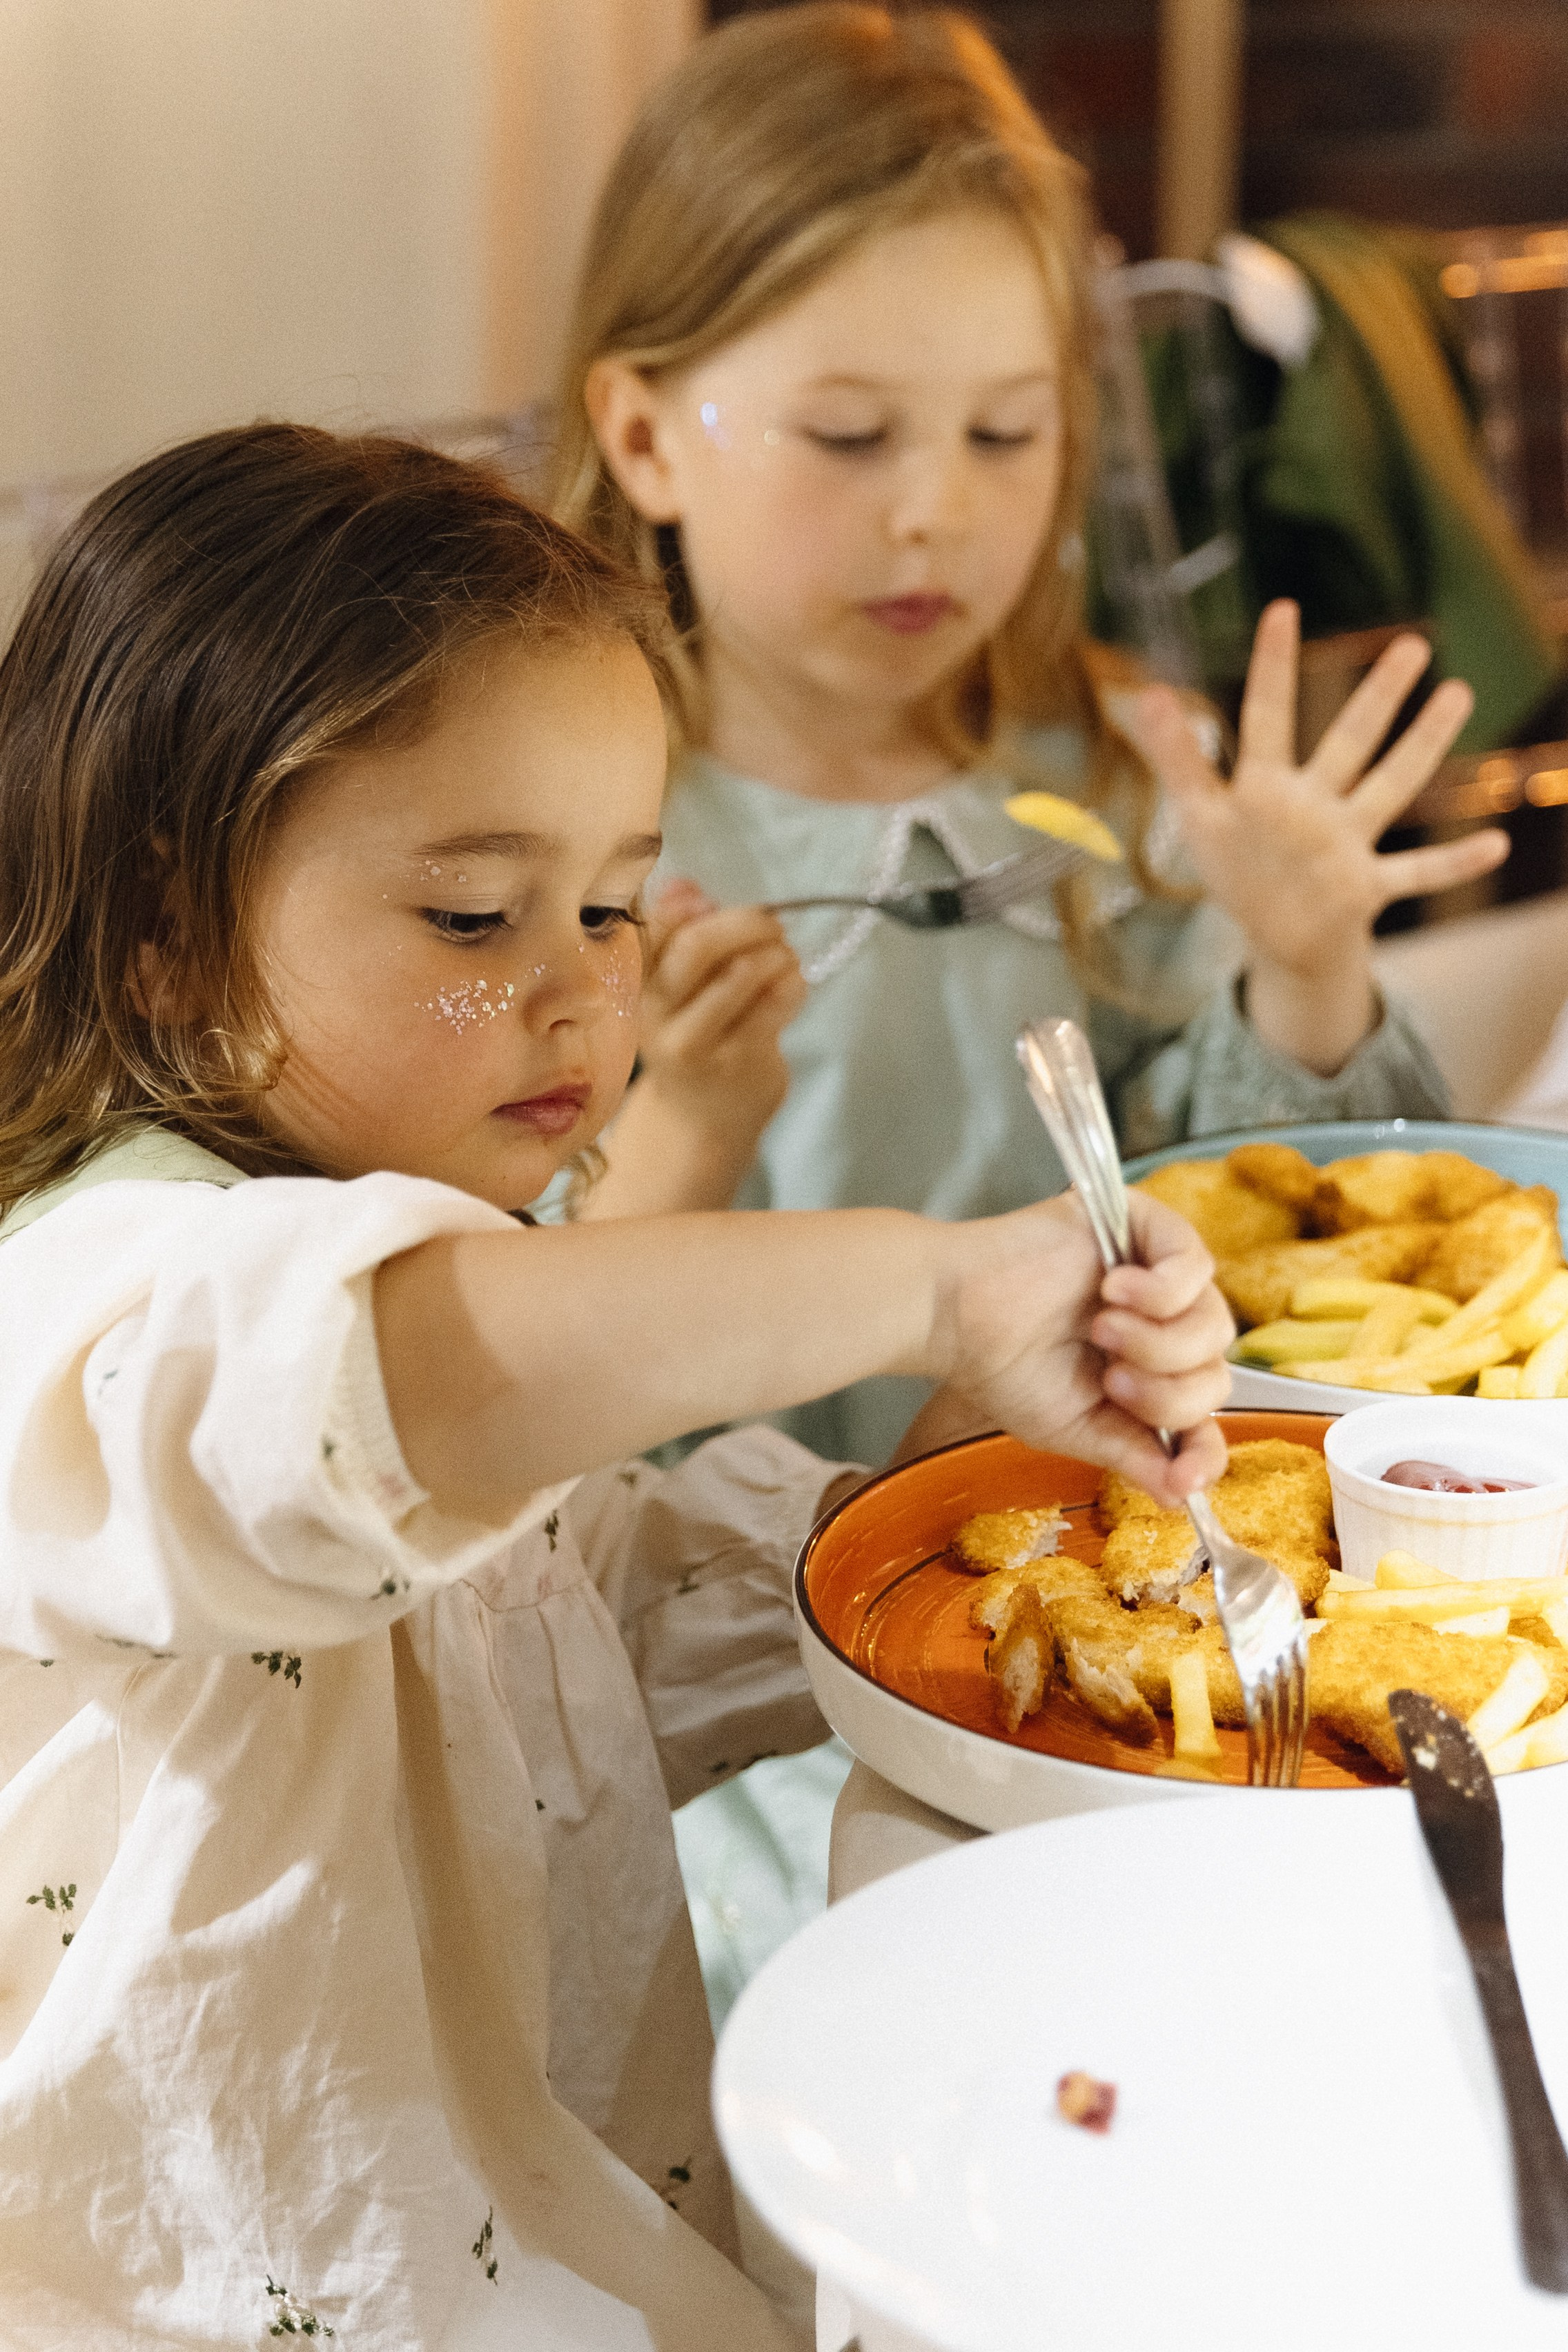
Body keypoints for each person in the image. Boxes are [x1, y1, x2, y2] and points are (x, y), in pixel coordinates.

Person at [0, 424, 1233, 2351]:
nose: (576, 989)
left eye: (613, 907)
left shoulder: (459, 1314)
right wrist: (930, 1285)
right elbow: (408, 1385)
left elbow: (669, 1626)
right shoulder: (117, 1299)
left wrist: (1022, 1407)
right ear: (167, 938)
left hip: (571, 2251)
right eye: (477, 920)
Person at [552, 0, 1508, 1466]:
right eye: (850, 436)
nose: (936, 508)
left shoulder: (1122, 769)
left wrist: (1301, 970)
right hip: (699, 1625)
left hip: (1064, 1554)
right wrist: (680, 1122)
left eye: (1004, 433)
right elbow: (508, 1365)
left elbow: (1246, 1228)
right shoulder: (566, 834)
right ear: (641, 437)